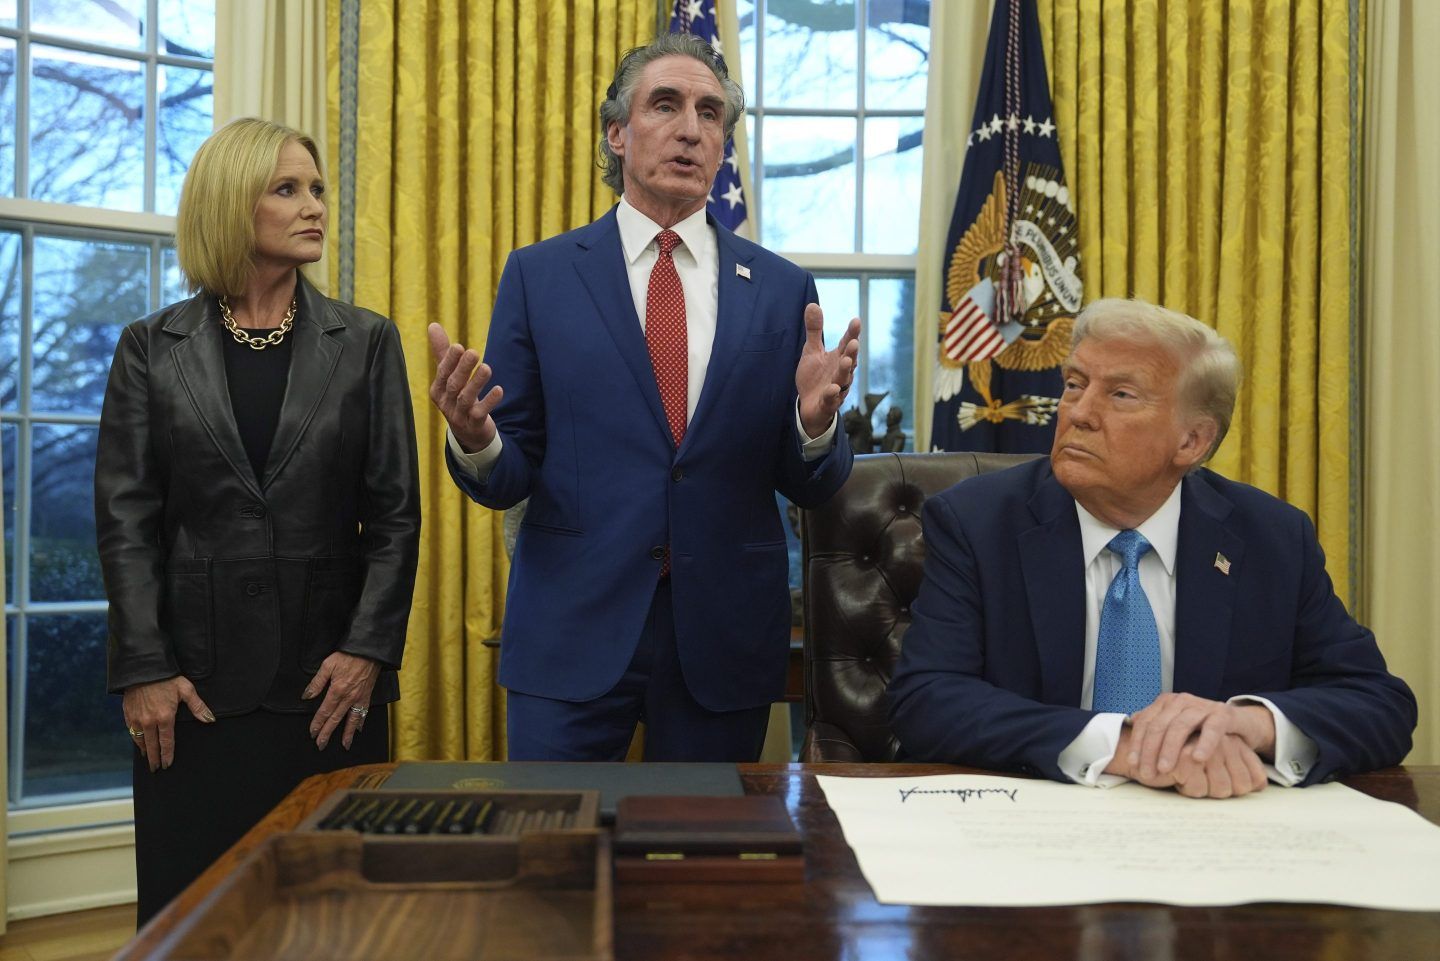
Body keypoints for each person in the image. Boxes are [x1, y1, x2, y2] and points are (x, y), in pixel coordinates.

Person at [428, 33, 859, 762]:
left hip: (722, 640)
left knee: (703, 868)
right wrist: (477, 438)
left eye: (711, 112)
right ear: (617, 134)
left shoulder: (784, 290)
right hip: (571, 632)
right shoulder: (540, 276)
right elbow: (510, 474)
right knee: (557, 860)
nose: (691, 128)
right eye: (666, 105)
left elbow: (806, 481)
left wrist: (813, 427)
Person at [889, 298, 1416, 798]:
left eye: (1121, 395)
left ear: (1192, 442)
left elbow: (1379, 704)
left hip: (1217, 834)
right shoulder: (977, 522)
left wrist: (1247, 724)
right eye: (1075, 384)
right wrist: (1124, 744)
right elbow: (927, 699)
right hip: (1033, 830)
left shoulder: (1271, 538)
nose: (1078, 412)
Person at [95, 118, 421, 923]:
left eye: (316, 188)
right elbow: (124, 519)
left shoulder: (368, 343)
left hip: (328, 689)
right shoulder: (149, 347)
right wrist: (142, 667)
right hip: (192, 695)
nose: (313, 205)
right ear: (230, 204)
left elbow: (395, 516)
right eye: (287, 189)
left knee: (332, 918)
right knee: (190, 918)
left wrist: (368, 651)